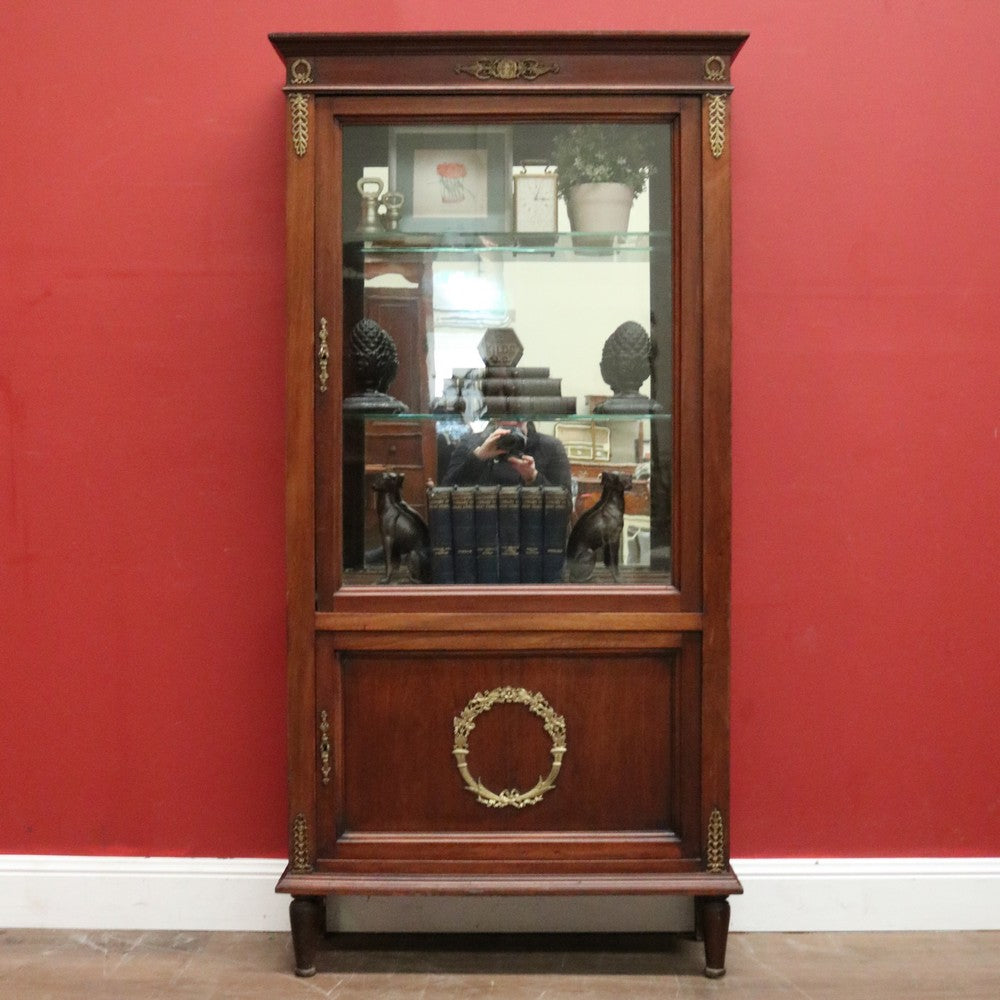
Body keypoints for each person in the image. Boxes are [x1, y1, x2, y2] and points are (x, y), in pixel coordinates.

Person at [442, 420, 572, 491]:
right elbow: (444, 496)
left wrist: (533, 478)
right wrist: (478, 457)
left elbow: (565, 506)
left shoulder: (550, 447)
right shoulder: (469, 444)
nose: (510, 416)